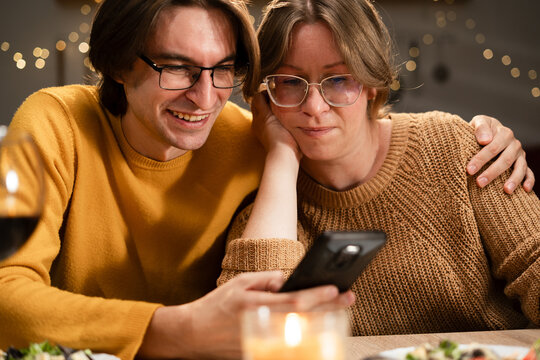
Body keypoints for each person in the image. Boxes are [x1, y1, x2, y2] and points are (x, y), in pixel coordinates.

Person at [0, 0, 533, 359]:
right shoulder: (52, 121)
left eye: (223, 71)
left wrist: (481, 135)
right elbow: (4, 294)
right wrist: (174, 327)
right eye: (177, 68)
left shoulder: (245, 139)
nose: (206, 98)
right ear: (118, 64)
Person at [218, 0, 540, 336]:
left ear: (372, 82)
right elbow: (254, 336)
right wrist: (282, 158)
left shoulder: (457, 148)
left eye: (339, 79)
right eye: (290, 81)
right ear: (265, 96)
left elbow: (535, 263)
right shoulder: (269, 209)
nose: (314, 107)